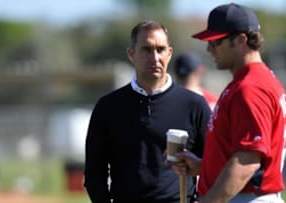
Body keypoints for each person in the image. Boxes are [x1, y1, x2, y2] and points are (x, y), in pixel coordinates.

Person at [172, 3, 286, 203]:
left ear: (241, 40)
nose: (209, 48)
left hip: (247, 198)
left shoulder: (251, 87)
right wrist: (205, 166)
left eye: (215, 42)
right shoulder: (255, 81)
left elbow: (247, 162)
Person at [84, 20, 211, 203]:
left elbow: (214, 165)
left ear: (169, 53)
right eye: (146, 49)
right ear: (131, 54)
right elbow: (94, 172)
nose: (155, 57)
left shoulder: (194, 105)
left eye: (160, 49)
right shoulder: (108, 107)